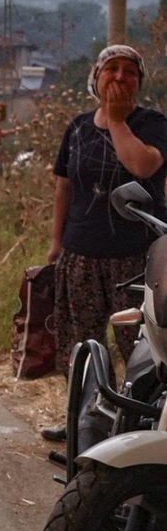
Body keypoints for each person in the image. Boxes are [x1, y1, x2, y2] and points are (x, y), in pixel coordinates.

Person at [43, 44, 167, 443]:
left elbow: (144, 165)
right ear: (95, 79)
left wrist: (115, 121)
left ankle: (134, 429)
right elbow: (64, 186)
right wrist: (56, 243)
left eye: (128, 72)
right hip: (80, 254)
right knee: (81, 343)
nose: (118, 77)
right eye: (109, 69)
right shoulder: (78, 126)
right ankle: (80, 423)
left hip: (136, 258)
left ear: (139, 82)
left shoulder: (153, 123)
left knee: (140, 347)